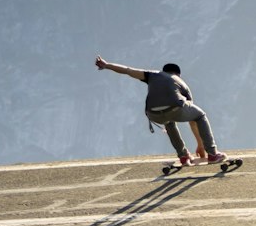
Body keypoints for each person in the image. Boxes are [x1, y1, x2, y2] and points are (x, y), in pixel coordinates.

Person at [94, 55, 226, 165]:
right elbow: (193, 120)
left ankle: (184, 157)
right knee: (200, 116)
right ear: (178, 74)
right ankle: (213, 154)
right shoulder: (181, 82)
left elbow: (128, 70)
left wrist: (106, 65)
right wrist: (200, 145)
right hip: (175, 107)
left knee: (168, 121)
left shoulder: (152, 75)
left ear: (163, 71)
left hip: (153, 114)